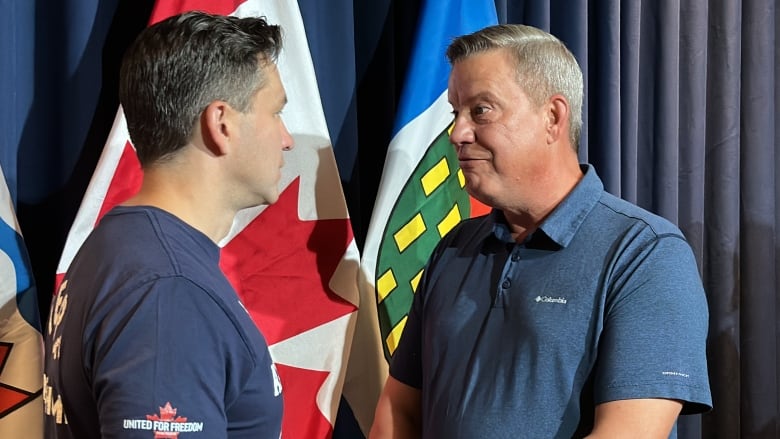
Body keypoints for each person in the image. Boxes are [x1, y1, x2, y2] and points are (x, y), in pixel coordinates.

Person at [370, 24, 712, 439]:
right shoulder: (452, 248)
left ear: (552, 117)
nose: (457, 133)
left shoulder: (645, 254)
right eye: (455, 113)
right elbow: (399, 407)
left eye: (480, 110)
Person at [42, 11, 293, 438]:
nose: (287, 138)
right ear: (222, 124)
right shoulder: (168, 290)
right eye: (276, 113)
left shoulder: (117, 246)